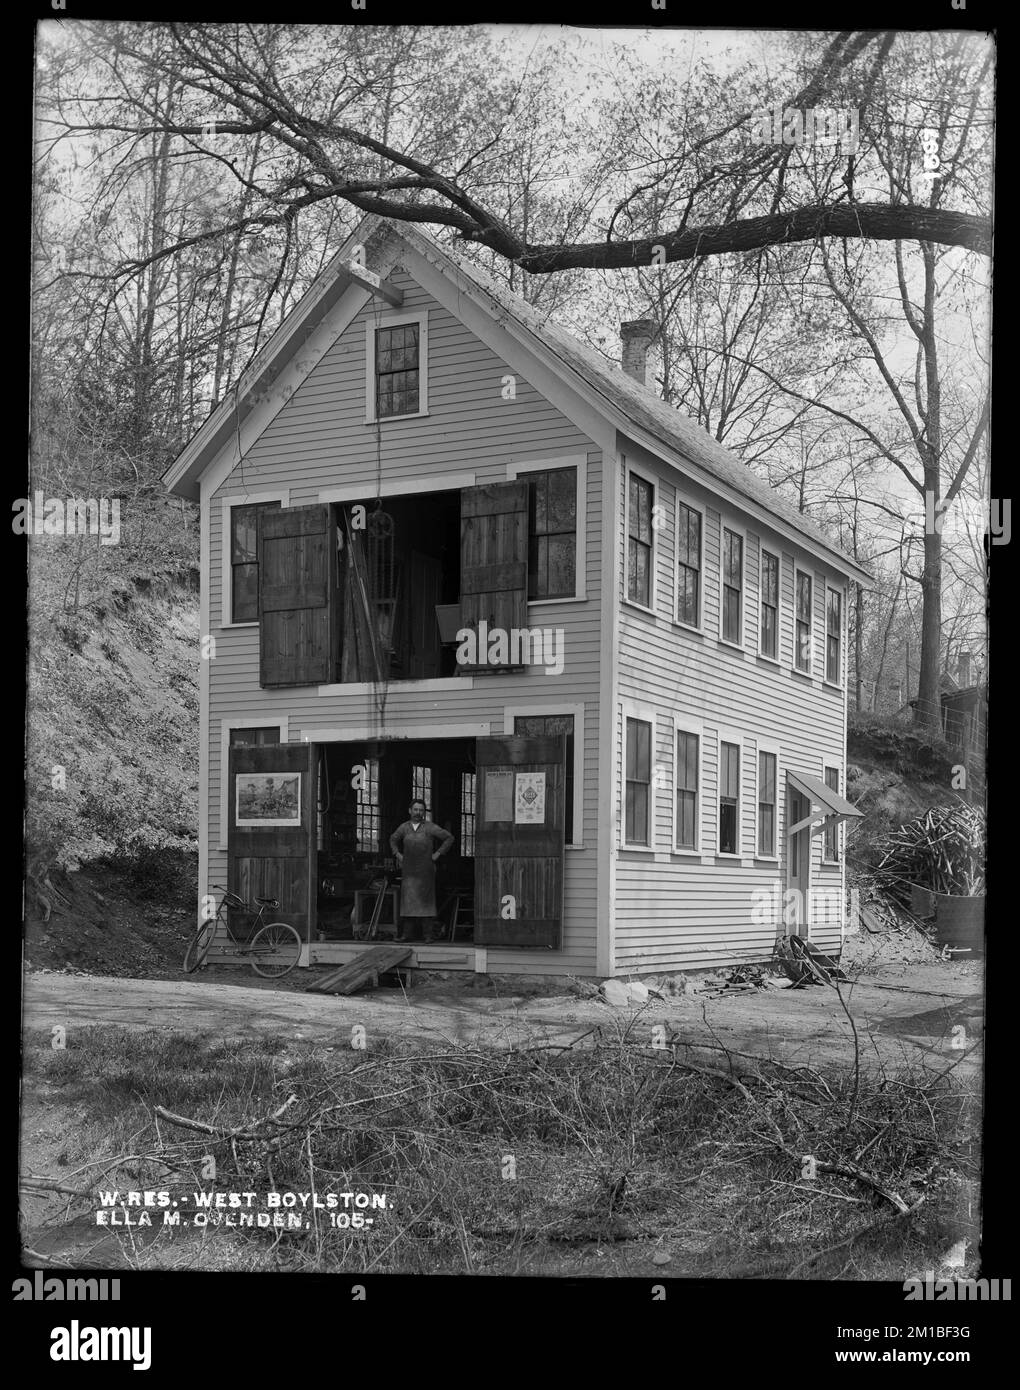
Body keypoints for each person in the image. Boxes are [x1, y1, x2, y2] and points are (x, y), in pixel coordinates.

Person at [389, 800, 454, 942]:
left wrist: (438, 854)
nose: (418, 813)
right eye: (416, 809)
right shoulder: (404, 828)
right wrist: (397, 854)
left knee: (426, 903)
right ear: (410, 810)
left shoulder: (430, 827)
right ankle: (406, 935)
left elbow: (449, 838)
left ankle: (428, 935)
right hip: (409, 871)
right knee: (408, 902)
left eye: (421, 810)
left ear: (424, 812)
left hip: (426, 870)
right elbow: (393, 839)